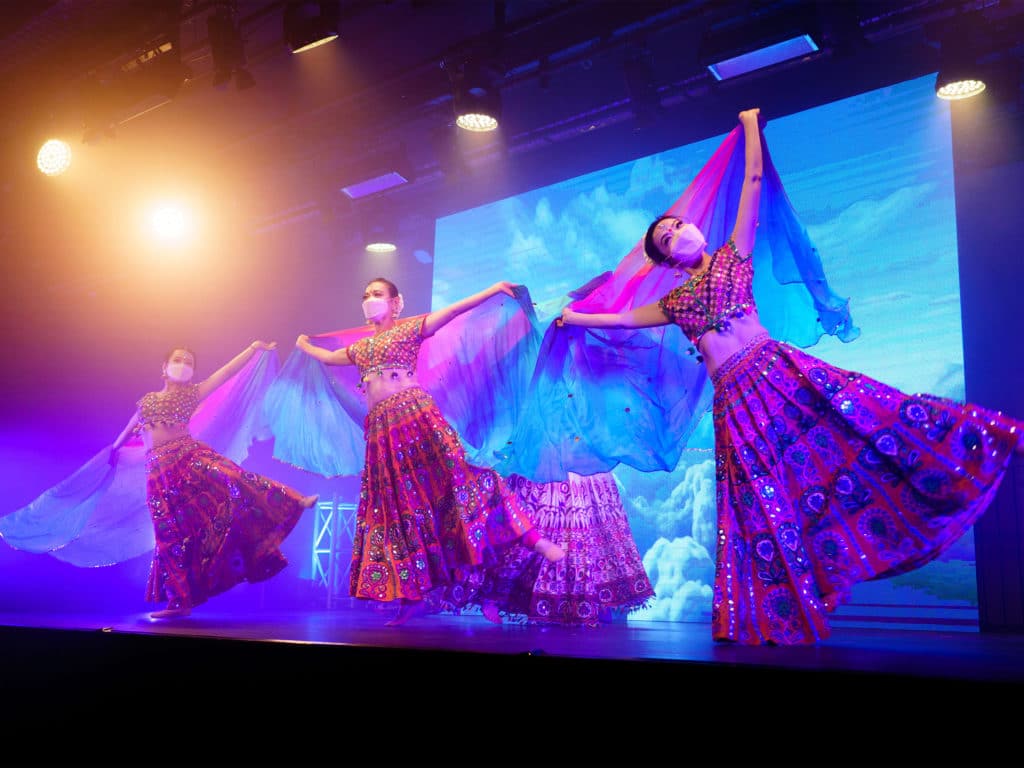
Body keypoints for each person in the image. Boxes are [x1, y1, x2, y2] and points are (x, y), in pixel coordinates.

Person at [557, 107, 1024, 645]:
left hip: (779, 375)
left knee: (866, 421)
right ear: (666, 260)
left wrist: (752, 126)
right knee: (758, 504)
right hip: (735, 403)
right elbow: (618, 319)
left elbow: (752, 180)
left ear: (695, 228)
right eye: (666, 240)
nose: (677, 233)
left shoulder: (735, 257)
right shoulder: (676, 301)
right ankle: (772, 614)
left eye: (678, 225)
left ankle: (974, 441)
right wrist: (576, 317)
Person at [294, 278, 566, 625]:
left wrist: (493, 288)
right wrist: (303, 344)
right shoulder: (361, 349)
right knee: (395, 510)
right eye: (365, 295)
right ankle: (411, 599)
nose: (370, 300)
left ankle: (534, 539)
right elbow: (330, 357)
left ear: (396, 302)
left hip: (416, 416)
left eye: (377, 294)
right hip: (381, 433)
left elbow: (452, 312)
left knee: (465, 480)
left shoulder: (408, 330)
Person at [105, 342, 318, 619]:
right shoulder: (146, 400)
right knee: (168, 536)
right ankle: (179, 603)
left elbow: (227, 371)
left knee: (231, 476)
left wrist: (253, 348)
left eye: (189, 362)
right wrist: (114, 447)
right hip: (157, 473)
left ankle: (292, 498)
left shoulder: (194, 393)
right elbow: (131, 425)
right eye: (178, 359)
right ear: (164, 369)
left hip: (187, 456)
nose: (183, 365)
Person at [473, 470, 655, 627]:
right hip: (547, 459)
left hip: (584, 461)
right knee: (530, 523)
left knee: (591, 528)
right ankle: (494, 595)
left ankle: (596, 600)